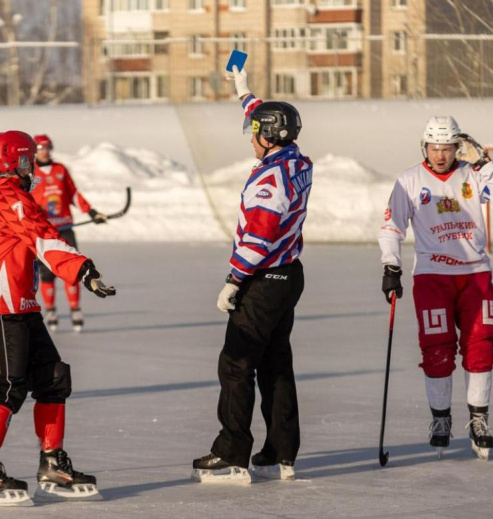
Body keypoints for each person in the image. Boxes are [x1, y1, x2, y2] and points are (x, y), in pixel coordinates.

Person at [0, 131, 116, 506]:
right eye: (27, 160)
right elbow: (44, 238)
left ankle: (52, 463)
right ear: (14, 162)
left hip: (19, 305)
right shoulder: (7, 197)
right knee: (4, 387)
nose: (31, 167)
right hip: (0, 306)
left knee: (52, 378)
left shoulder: (11, 197)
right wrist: (83, 270)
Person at [192, 66, 311, 484]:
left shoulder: (269, 180)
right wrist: (244, 92)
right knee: (275, 364)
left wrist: (233, 281)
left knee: (236, 364)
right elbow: (268, 116)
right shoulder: (295, 159)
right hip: (288, 277)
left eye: (254, 130)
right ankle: (281, 452)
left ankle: (232, 453)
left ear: (269, 137)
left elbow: (258, 239)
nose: (250, 135)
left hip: (263, 280)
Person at [378, 116, 493, 461]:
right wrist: (391, 265)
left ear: (458, 147)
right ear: (425, 147)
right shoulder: (409, 180)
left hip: (475, 274)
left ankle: (479, 420)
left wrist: (485, 163)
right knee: (437, 348)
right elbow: (391, 226)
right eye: (434, 148)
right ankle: (441, 420)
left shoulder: (473, 173)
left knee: (480, 344)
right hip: (432, 276)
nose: (440, 155)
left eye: (447, 148)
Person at [29, 134, 108, 333]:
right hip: (45, 232)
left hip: (65, 228)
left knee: (72, 270)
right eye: (40, 148)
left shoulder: (60, 170)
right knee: (47, 274)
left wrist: (91, 211)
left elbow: (73, 194)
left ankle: (75, 309)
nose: (44, 151)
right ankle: (51, 311)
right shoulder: (30, 173)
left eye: (47, 147)